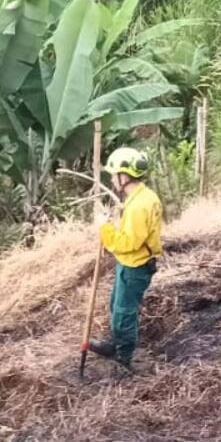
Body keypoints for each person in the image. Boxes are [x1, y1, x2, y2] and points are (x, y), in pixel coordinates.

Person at [89, 147, 164, 369]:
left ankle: (123, 358)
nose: (112, 179)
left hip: (135, 266)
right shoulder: (141, 197)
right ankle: (115, 344)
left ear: (125, 176)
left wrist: (105, 229)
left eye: (114, 175)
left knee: (123, 313)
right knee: (116, 305)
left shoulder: (139, 206)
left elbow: (128, 243)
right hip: (129, 263)